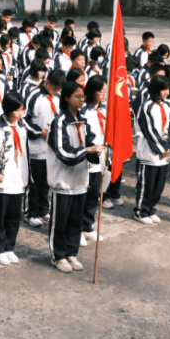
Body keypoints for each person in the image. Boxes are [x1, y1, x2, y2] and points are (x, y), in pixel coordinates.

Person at [47, 82, 99, 273]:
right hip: (63, 180)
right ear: (67, 97)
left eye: (83, 96)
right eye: (77, 96)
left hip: (80, 179)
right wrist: (87, 150)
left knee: (76, 219)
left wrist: (98, 151)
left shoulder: (84, 120)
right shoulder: (59, 121)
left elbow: (91, 141)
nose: (81, 99)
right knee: (60, 220)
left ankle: (71, 252)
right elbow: (63, 152)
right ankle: (58, 256)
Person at [0, 93, 30, 265]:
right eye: (18, 110)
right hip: (3, 181)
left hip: (18, 180)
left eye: (22, 109)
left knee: (14, 218)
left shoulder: (23, 127)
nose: (21, 113)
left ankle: (10, 247)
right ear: (9, 110)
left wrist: (27, 177)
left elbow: (27, 154)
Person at [26, 69, 66, 226]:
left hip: (50, 149)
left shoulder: (57, 98)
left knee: (46, 182)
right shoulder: (33, 95)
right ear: (47, 82)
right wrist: (38, 132)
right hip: (35, 147)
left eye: (59, 90)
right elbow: (23, 119)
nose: (56, 92)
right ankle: (31, 212)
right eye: (55, 88)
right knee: (33, 182)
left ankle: (43, 209)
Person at [134, 75, 170, 224]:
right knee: (147, 185)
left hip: (164, 153)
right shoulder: (147, 106)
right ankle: (140, 211)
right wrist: (161, 148)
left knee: (158, 186)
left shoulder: (168, 105)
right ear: (156, 90)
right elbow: (149, 130)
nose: (167, 92)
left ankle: (151, 209)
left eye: (168, 89)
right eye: (164, 89)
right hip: (150, 152)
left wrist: (169, 146)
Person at [79, 76, 108, 246]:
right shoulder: (83, 111)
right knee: (83, 194)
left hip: (101, 158)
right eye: (100, 91)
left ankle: (87, 226)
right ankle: (77, 228)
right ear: (92, 91)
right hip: (86, 157)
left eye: (105, 91)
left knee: (94, 194)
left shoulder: (104, 110)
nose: (103, 94)